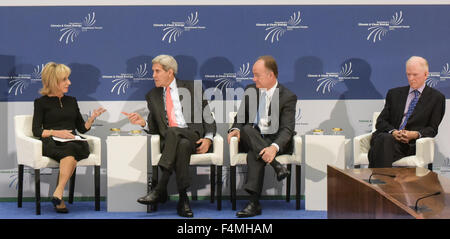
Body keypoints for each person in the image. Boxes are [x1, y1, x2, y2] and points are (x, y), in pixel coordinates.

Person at [122, 54, 216, 218]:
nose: (153, 76)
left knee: (176, 132)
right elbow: (154, 126)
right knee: (182, 145)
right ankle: (183, 199)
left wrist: (208, 138)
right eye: (153, 71)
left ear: (170, 72)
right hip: (172, 143)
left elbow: (208, 117)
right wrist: (142, 123)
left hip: (195, 137)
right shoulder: (152, 96)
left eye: (157, 71)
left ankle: (159, 189)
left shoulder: (193, 88)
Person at [227, 55, 297, 217]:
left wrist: (273, 148)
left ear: (270, 75)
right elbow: (240, 119)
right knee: (246, 129)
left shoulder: (287, 96)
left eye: (257, 75)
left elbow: (287, 129)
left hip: (274, 141)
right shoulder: (251, 90)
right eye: (253, 75)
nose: (253, 78)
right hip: (252, 136)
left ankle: (253, 203)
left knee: (255, 154)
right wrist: (234, 129)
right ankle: (277, 166)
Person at [32, 62, 106, 213]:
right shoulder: (41, 103)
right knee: (70, 150)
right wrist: (55, 132)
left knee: (72, 148)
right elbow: (36, 131)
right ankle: (59, 196)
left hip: (73, 141)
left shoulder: (71, 100)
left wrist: (91, 119)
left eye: (68, 78)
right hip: (52, 142)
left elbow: (81, 128)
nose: (69, 82)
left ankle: (58, 193)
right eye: (65, 79)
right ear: (53, 81)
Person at [368, 56, 445, 168]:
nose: (411, 78)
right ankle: (385, 183)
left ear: (426, 74)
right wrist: (393, 132)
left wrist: (414, 134)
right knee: (384, 140)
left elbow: (432, 129)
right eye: (408, 74)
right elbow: (381, 121)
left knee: (379, 148)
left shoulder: (437, 98)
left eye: (415, 75)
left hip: (409, 144)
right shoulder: (394, 94)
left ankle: (378, 183)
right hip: (388, 139)